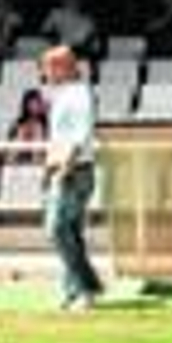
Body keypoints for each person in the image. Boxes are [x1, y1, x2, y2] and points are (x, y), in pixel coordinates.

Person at [39, 45, 105, 311]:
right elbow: (59, 136)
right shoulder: (65, 95)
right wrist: (48, 168)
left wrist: (64, 166)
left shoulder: (79, 95)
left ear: (63, 67)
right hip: (65, 168)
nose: (45, 74)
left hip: (75, 170)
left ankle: (87, 286)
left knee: (56, 229)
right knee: (70, 232)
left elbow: (80, 135)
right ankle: (73, 289)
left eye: (49, 68)